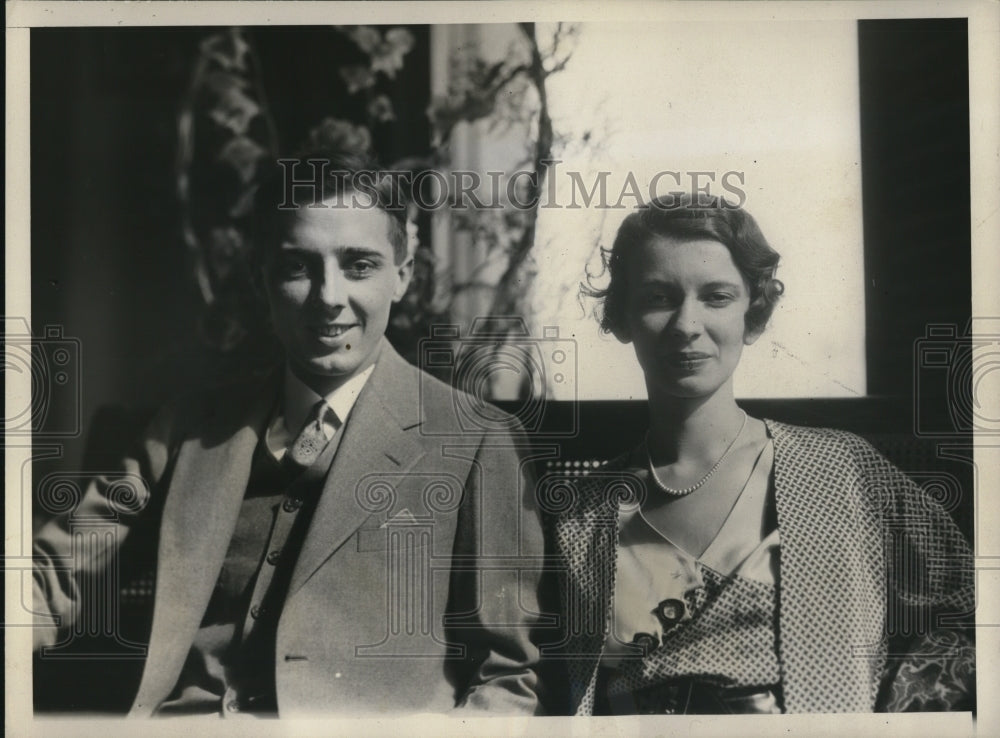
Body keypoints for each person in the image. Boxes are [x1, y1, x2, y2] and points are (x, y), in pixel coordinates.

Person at [32, 149, 552, 717]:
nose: (329, 297)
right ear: (263, 280)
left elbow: (505, 676)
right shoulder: (186, 430)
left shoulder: (475, 439)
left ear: (401, 276)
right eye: (298, 267)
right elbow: (55, 575)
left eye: (359, 265)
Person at [545, 193, 975, 714]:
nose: (686, 323)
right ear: (623, 316)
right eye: (659, 297)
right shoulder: (579, 516)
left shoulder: (842, 472)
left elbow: (967, 616)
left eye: (716, 296)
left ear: (754, 310)